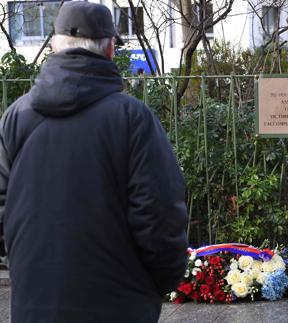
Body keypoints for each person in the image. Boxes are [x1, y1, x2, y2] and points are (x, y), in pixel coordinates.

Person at [0, 2, 188, 322]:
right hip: (120, 303)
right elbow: (159, 213)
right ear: (111, 48)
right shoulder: (133, 119)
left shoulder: (15, 117)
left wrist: (27, 267)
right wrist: (161, 282)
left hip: (36, 303)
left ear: (55, 45)